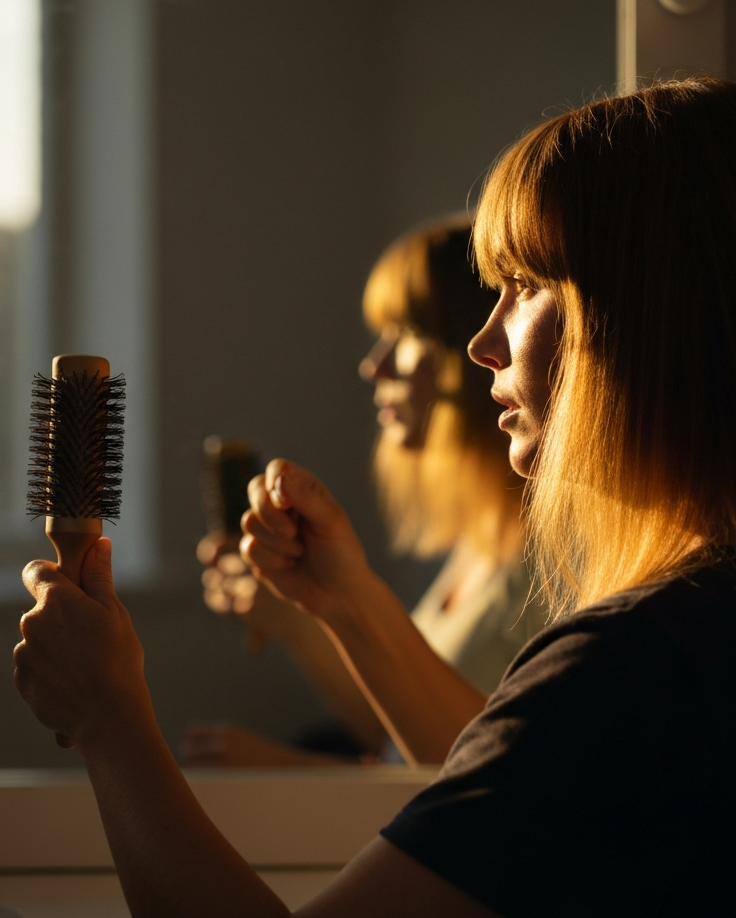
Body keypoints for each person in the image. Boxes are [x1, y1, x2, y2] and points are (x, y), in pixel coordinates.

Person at [14, 78, 736, 918]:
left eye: (526, 285)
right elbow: (538, 796)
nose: (483, 342)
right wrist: (347, 606)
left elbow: (568, 753)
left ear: (655, 318)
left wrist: (110, 719)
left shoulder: (638, 672)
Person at [186, 218, 540, 767]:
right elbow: (404, 733)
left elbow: (501, 790)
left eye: (407, 334)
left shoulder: (551, 567)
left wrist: (291, 775)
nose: (373, 365)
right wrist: (293, 614)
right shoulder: (478, 547)